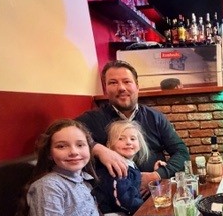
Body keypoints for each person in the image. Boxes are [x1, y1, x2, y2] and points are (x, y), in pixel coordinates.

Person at [76, 60, 189, 192]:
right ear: (106, 89)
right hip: (114, 197)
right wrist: (97, 149)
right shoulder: (91, 119)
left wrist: (157, 175)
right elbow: (60, 137)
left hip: (156, 193)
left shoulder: (155, 117)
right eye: (113, 83)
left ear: (137, 86)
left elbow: (181, 152)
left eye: (127, 81)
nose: (121, 88)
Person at [93, 119, 161, 216]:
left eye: (133, 139)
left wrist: (156, 172)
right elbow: (124, 200)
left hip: (131, 213)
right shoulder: (115, 168)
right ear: (109, 144)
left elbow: (134, 187)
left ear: (140, 144)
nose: (128, 142)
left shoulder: (130, 165)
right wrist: (147, 209)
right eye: (121, 139)